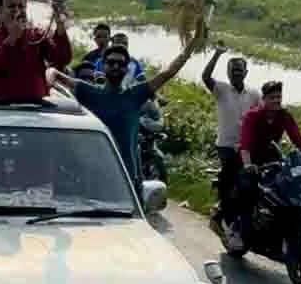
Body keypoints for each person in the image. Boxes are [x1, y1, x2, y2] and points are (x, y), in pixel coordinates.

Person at [51, 30, 203, 183]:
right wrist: (48, 77)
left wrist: (191, 47)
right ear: (103, 66)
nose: (116, 66)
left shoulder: (135, 95)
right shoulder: (89, 92)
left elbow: (169, 72)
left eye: (121, 63)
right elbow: (55, 75)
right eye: (111, 62)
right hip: (93, 176)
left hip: (126, 178)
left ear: (127, 68)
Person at [231, 81, 301, 247]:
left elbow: (299, 140)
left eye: (279, 97)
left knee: (285, 190)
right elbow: (245, 144)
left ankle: (280, 226)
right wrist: (248, 165)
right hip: (250, 160)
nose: (276, 101)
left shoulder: (284, 115)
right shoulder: (253, 116)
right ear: (263, 99)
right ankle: (237, 229)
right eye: (272, 97)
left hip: (273, 160)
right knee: (248, 190)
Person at [202, 46, 261, 232]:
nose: (235, 73)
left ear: (246, 72)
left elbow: (260, 118)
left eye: (239, 70)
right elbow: (205, 77)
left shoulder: (254, 94)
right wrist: (217, 54)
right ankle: (221, 215)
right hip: (226, 146)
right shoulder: (221, 89)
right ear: (227, 72)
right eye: (232, 70)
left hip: (246, 147)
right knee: (231, 181)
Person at [0, 0, 71, 102]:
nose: (17, 10)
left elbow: (61, 59)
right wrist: (11, 39)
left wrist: (60, 28)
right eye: (11, 6)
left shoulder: (37, 35)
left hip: (35, 106)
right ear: (0, 10)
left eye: (21, 6)